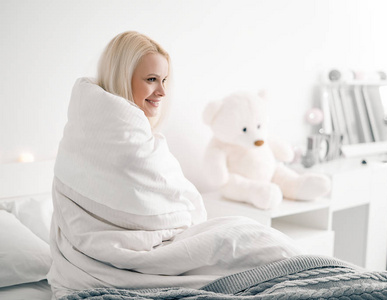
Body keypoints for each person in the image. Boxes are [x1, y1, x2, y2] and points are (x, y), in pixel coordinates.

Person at [47, 31, 302, 299]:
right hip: (129, 256)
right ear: (123, 77)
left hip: (142, 248)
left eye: (164, 80)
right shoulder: (120, 142)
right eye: (151, 80)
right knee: (252, 240)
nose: (162, 91)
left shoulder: (88, 131)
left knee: (252, 237)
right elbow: (176, 210)